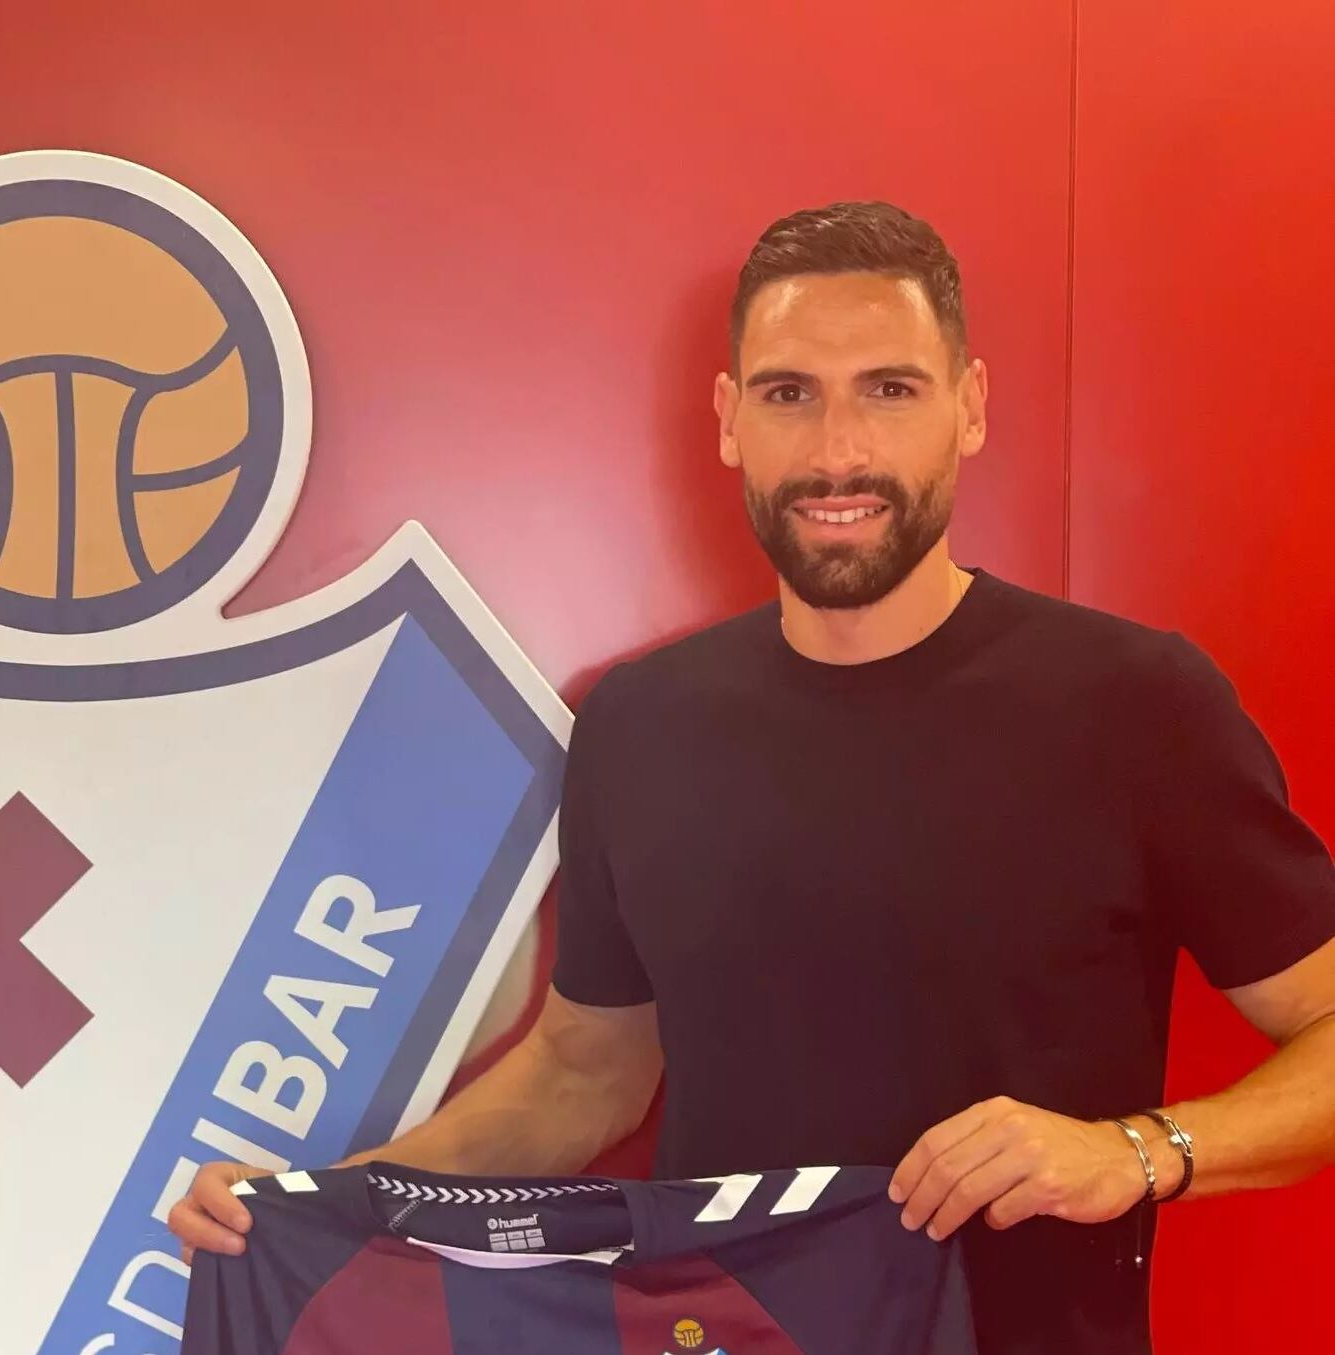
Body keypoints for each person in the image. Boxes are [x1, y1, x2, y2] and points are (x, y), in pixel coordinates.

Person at [169, 202, 1335, 1354]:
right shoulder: (637, 723)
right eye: (789, 394)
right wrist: (312, 1205)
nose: (838, 452)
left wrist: (1132, 1152)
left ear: (969, 406)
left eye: (889, 388)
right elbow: (582, 1077)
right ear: (729, 420)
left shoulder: (1136, 705)